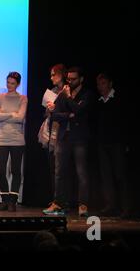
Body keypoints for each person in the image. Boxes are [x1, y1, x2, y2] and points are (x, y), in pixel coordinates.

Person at [43, 67, 92, 217]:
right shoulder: (63, 94)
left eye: (73, 79)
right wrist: (69, 115)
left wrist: (70, 101)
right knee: (59, 172)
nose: (70, 82)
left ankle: (82, 205)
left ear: (81, 79)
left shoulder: (87, 94)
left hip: (79, 138)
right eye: (69, 79)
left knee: (81, 172)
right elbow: (55, 115)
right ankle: (58, 203)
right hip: (63, 137)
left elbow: (79, 111)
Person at [96, 72, 131, 218]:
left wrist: (126, 142)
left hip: (117, 143)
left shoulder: (118, 99)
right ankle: (111, 205)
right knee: (106, 176)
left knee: (120, 175)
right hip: (102, 144)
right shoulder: (99, 102)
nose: (100, 87)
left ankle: (126, 207)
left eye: (103, 83)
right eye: (98, 84)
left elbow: (126, 122)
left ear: (110, 84)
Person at [0, 71, 27, 212]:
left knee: (15, 171)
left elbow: (21, 118)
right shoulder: (0, 97)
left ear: (18, 84)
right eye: (8, 82)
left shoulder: (23, 98)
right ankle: (5, 200)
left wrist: (4, 115)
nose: (9, 85)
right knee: (0, 171)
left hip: (17, 138)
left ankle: (13, 201)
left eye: (13, 83)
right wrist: (11, 114)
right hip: (1, 138)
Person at [38, 64, 67, 197]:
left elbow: (70, 112)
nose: (51, 78)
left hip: (62, 131)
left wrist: (56, 109)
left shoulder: (67, 90)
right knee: (52, 168)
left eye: (53, 74)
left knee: (61, 169)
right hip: (49, 129)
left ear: (61, 75)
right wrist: (49, 109)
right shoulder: (53, 91)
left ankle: (62, 200)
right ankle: (55, 198)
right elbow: (46, 113)